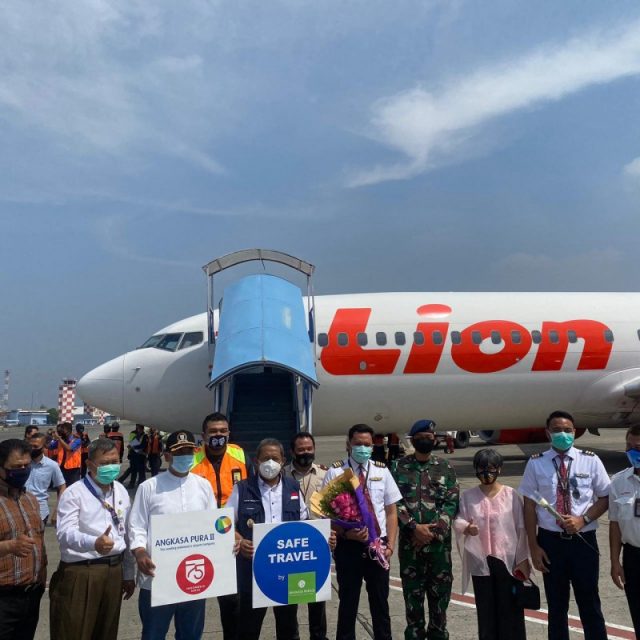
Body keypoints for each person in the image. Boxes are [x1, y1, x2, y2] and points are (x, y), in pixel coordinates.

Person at [519, 410, 610, 640]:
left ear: (575, 432)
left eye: (568, 430)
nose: (563, 434)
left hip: (583, 541)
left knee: (589, 602)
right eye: (558, 430)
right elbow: (529, 507)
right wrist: (533, 546)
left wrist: (583, 519)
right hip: (550, 543)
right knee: (557, 606)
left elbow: (605, 497)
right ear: (548, 433)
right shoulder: (536, 463)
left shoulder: (590, 460)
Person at [129, 429, 216, 640]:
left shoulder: (203, 486)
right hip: (158, 576)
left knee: (190, 634)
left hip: (194, 575)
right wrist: (140, 552)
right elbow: (137, 526)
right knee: (153, 634)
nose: (185, 456)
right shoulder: (149, 487)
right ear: (167, 455)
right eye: (179, 452)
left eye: (189, 451)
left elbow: (213, 525)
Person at [50, 438, 135, 640]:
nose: (111, 467)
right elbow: (65, 533)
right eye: (105, 464)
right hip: (83, 572)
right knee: (74, 632)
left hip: (114, 571)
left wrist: (128, 573)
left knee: (106, 632)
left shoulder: (120, 490)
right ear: (89, 464)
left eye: (115, 461)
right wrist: (93, 542)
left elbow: (127, 533)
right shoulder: (74, 493)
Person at [323, 424, 402, 640]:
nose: (363, 448)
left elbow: (391, 511)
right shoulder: (336, 472)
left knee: (380, 603)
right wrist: (347, 534)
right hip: (348, 546)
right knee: (348, 602)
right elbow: (327, 513)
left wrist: (391, 546)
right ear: (348, 445)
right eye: (358, 444)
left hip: (379, 545)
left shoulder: (381, 470)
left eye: (367, 444)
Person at [227, 438, 310, 640]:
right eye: (265, 458)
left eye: (275, 458)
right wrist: (239, 541)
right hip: (252, 570)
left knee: (288, 627)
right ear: (256, 461)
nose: (270, 463)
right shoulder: (242, 489)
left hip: (286, 570)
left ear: (283, 461)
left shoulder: (292, 487)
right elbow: (225, 524)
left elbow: (305, 522)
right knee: (248, 627)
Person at [392, 419, 459, 640]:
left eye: (430, 437)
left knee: (440, 598)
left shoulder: (445, 467)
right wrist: (413, 528)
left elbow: (451, 502)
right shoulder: (398, 467)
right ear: (414, 439)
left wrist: (433, 533)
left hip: (439, 548)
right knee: (413, 598)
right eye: (421, 437)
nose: (426, 440)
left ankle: (439, 635)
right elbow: (394, 502)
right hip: (411, 547)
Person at [454, 448, 530, 640]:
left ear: (499, 469)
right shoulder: (468, 496)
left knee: (510, 609)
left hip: (508, 561)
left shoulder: (511, 495)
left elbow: (522, 528)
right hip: (482, 563)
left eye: (491, 468)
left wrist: (523, 559)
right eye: (481, 468)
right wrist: (466, 528)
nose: (486, 473)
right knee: (486, 610)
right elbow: (459, 520)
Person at [191, 412, 250, 640]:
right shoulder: (194, 459)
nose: (218, 436)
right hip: (203, 534)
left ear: (229, 433)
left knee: (232, 601)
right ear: (204, 435)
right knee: (195, 593)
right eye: (213, 432)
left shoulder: (240, 455)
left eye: (223, 431)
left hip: (234, 537)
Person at [284, 432, 329, 640]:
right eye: (300, 449)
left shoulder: (325, 474)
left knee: (317, 597)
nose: (305, 453)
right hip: (290, 545)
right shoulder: (282, 475)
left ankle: (318, 636)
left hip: (317, 543)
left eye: (309, 449)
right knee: (288, 598)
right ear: (292, 451)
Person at [0, 439, 47, 640]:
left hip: (31, 596)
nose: (22, 470)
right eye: (15, 467)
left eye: (26, 466)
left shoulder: (30, 499)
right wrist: (9, 546)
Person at [609, 424, 640, 636]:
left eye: (637, 446)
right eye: (628, 445)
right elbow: (614, 524)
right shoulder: (619, 481)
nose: (631, 451)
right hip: (634, 557)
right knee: (638, 612)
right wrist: (614, 562)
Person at [25, 432, 66, 525]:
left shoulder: (52, 465)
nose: (32, 449)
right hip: (20, 510)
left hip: (40, 512)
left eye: (35, 447)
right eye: (30, 446)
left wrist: (57, 511)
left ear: (44, 447)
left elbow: (62, 486)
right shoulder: (23, 463)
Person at [53, 421, 83, 486]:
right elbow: (49, 446)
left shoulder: (77, 440)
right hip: (61, 467)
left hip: (73, 469)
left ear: (69, 430)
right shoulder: (60, 440)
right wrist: (50, 437)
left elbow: (69, 449)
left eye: (63, 430)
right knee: (61, 487)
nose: (62, 432)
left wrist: (59, 438)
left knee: (73, 488)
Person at [128, 424, 149, 488]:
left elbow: (143, 446)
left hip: (140, 456)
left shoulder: (144, 436)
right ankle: (132, 484)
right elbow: (132, 444)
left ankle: (142, 485)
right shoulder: (137, 436)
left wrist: (133, 446)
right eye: (137, 429)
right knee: (133, 471)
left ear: (142, 429)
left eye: (139, 429)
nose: (137, 430)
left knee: (141, 471)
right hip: (134, 456)